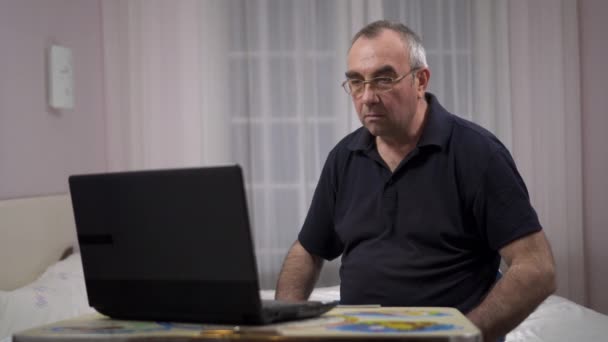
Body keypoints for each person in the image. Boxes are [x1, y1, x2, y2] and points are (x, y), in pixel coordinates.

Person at [274, 20, 556, 342]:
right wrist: (286, 324)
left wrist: (465, 335)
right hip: (356, 335)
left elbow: (537, 268)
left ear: (420, 80)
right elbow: (307, 251)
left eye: (383, 79)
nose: (367, 97)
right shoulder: (345, 157)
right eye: (356, 82)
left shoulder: (477, 154)